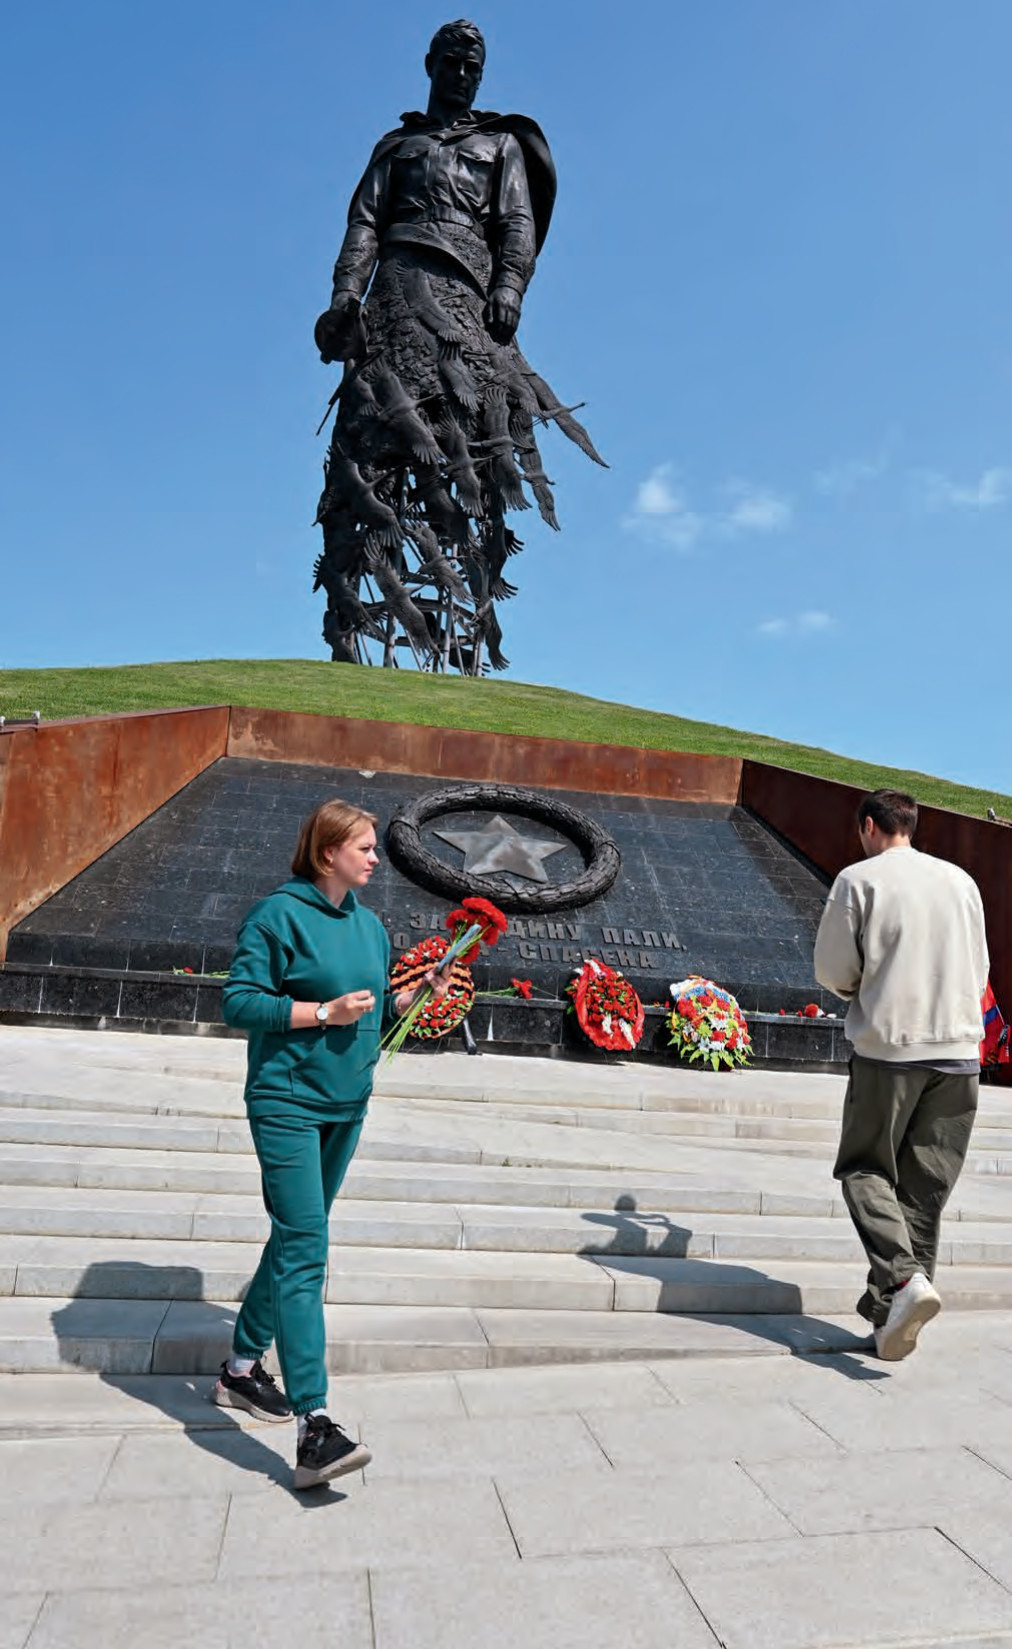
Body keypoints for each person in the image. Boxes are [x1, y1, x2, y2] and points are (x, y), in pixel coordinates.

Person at [312, 18, 603, 671]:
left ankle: (463, 634)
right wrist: (344, 297)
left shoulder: (501, 146)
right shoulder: (397, 147)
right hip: (393, 296)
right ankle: (350, 629)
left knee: (471, 445)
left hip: (466, 301)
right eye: (452, 62)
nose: (462, 75)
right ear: (430, 64)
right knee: (370, 444)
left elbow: (517, 227)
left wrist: (510, 288)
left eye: (473, 66)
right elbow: (364, 223)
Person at [213, 799, 449, 1489]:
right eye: (364, 847)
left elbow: (370, 1014)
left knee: (295, 1238)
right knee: (307, 1247)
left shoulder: (370, 928)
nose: (376, 857)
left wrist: (411, 999)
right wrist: (321, 1011)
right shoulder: (277, 916)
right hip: (286, 1102)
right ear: (327, 853)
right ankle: (314, 1423)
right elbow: (238, 1002)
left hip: (347, 1107)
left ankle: (239, 1369)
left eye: (374, 847)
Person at [814, 789, 989, 1360]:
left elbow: (834, 970)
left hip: (891, 1050)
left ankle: (902, 1280)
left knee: (864, 1168)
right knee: (922, 1190)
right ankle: (888, 1320)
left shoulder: (859, 880)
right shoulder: (961, 882)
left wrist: (863, 990)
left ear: (869, 826)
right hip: (959, 1053)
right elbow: (980, 969)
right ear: (910, 825)